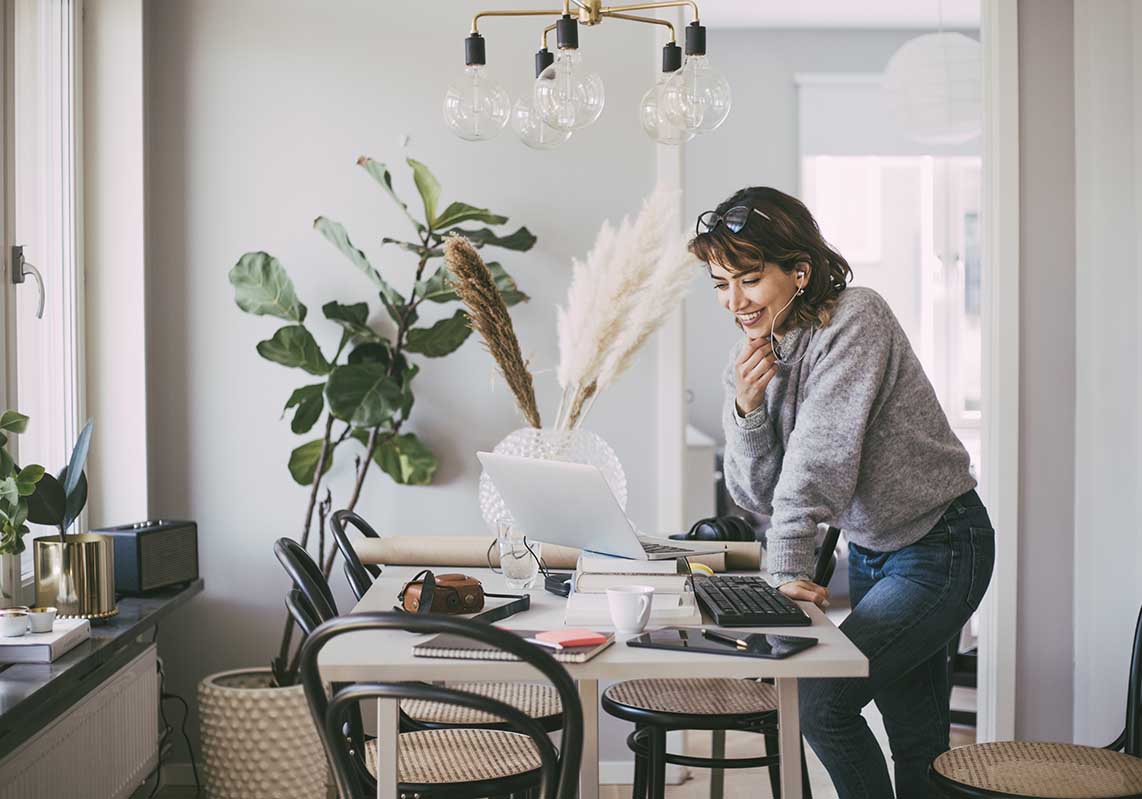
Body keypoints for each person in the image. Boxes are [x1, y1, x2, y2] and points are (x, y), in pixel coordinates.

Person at [689, 186, 995, 799]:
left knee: (821, 702)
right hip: (876, 551)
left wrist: (785, 575)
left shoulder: (858, 317)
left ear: (799, 272)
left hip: (943, 545)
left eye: (748, 279)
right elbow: (755, 494)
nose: (734, 301)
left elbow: (818, 464)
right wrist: (747, 411)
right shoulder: (748, 360)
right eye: (721, 284)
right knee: (917, 734)